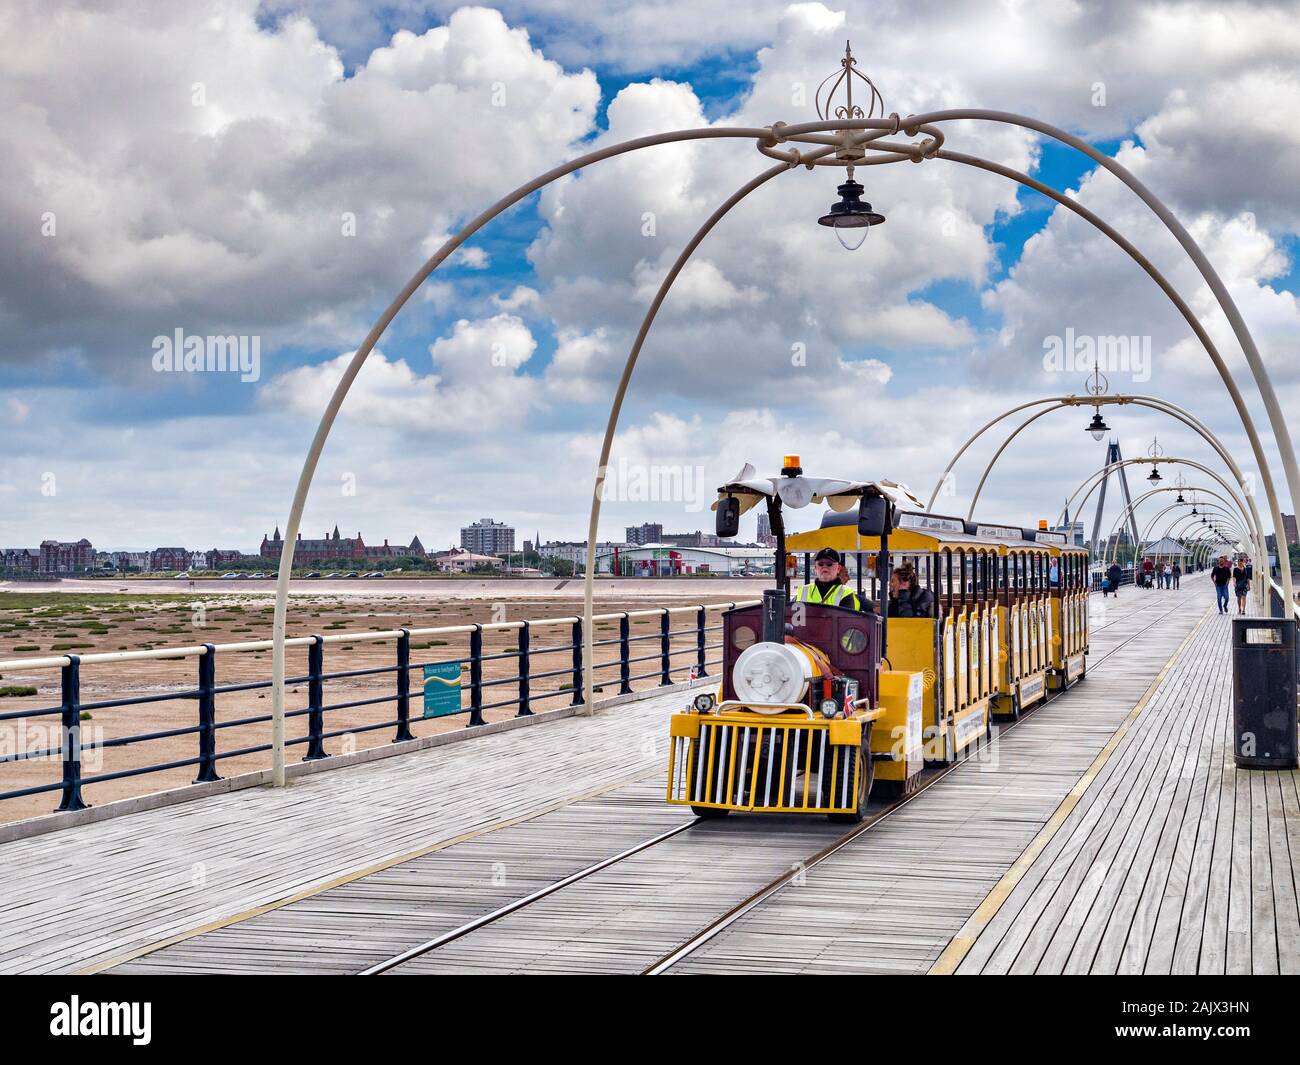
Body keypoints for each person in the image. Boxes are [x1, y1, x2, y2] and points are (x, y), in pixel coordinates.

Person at [793, 547, 862, 610]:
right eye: (820, 564)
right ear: (815, 568)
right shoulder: (803, 591)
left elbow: (847, 621)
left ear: (838, 568)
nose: (824, 567)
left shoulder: (846, 593)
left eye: (829, 564)